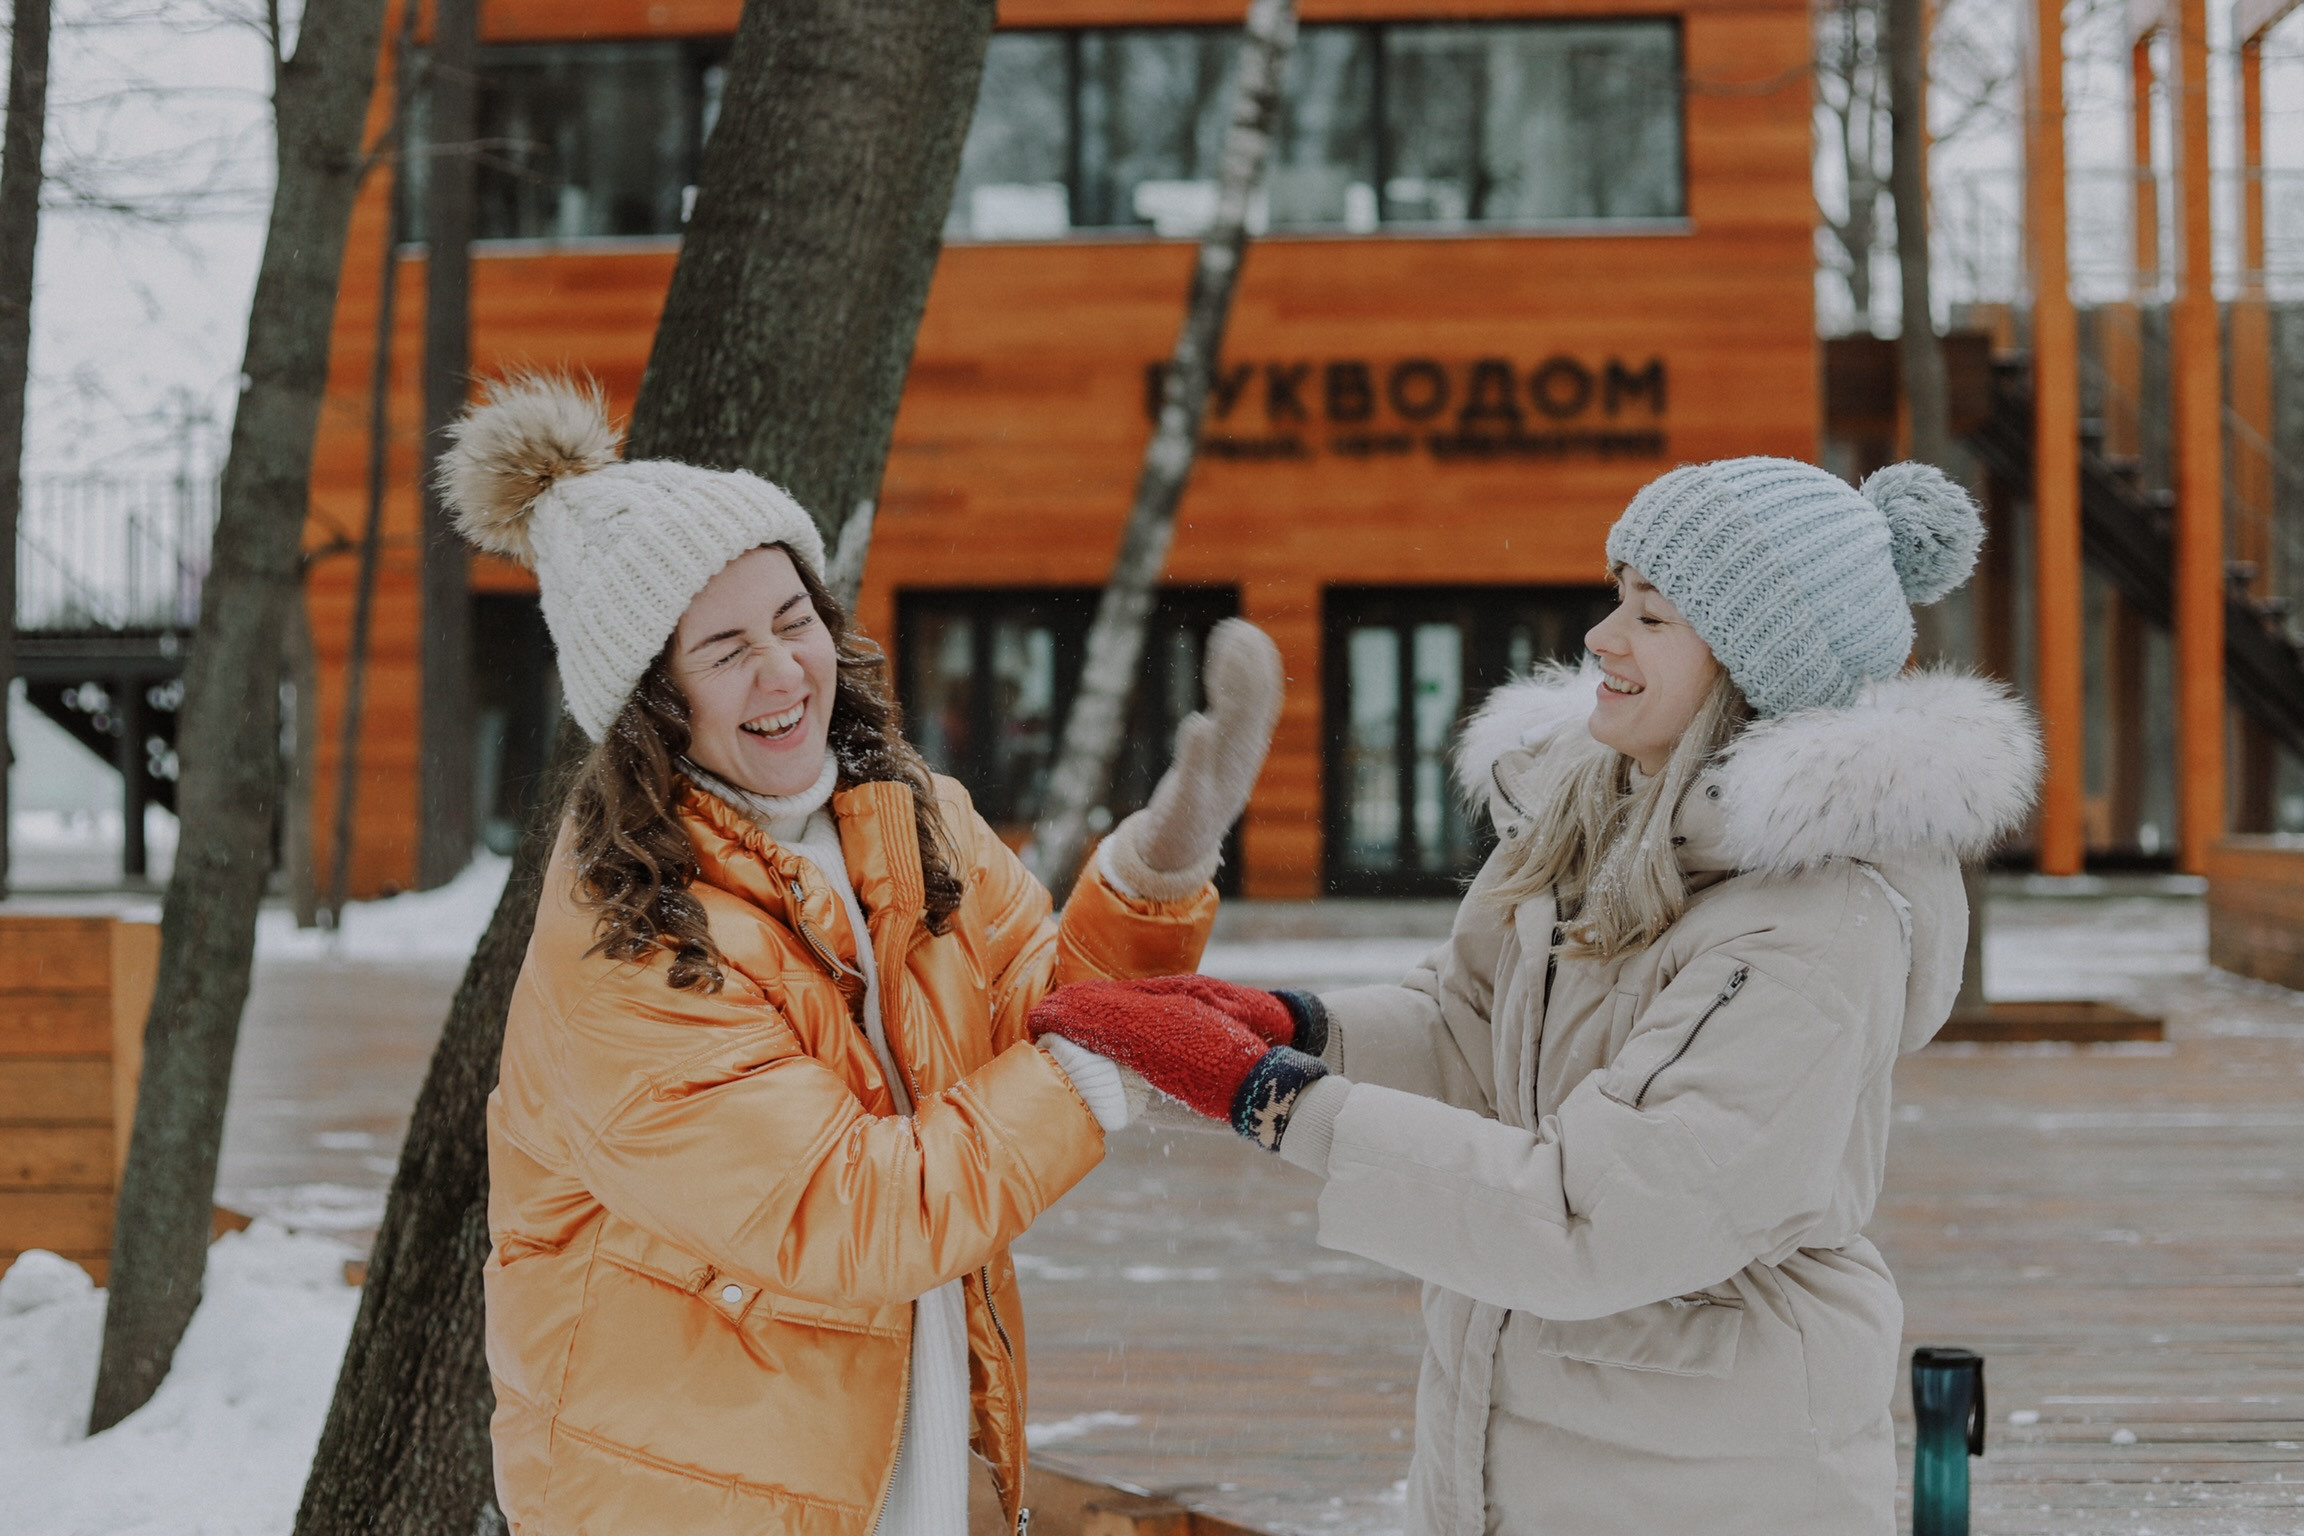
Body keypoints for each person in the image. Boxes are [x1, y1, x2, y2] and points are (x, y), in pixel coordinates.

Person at [1028, 457, 2043, 1533]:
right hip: (1511, 1440)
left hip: (1706, 1476)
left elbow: (1594, 1216)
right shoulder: (1595, 824)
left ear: (1752, 669)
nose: (1604, 636)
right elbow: (1473, 1031)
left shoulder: (1811, 930)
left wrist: (1275, 1097)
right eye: (1619, 598)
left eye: (1651, 616)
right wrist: (1292, 1028)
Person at [444, 375, 1283, 1536]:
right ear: (649, 701)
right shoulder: (628, 935)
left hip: (888, 1445)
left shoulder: (905, 816)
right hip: (684, 1489)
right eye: (726, 649)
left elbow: (1044, 1018)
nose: (783, 672)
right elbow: (849, 1214)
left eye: (795, 622)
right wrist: (1101, 1067)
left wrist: (1161, 863)